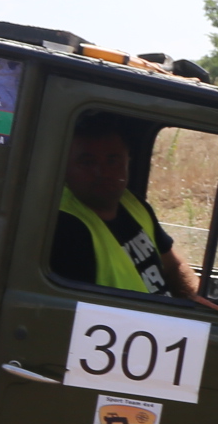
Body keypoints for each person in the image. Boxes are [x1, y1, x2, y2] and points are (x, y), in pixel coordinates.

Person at [51, 117, 198, 298]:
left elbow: (174, 266)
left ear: (128, 161)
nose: (102, 172)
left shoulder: (132, 202)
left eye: (113, 161)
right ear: (65, 167)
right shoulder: (65, 227)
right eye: (88, 162)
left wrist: (199, 307)